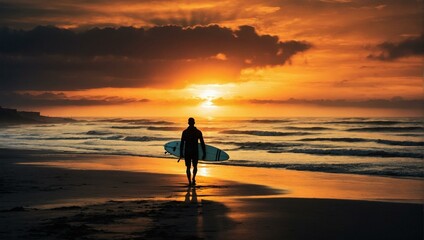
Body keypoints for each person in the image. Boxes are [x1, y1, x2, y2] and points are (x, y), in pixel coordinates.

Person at [178, 117, 206, 186]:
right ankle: (193, 178)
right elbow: (202, 143)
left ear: (188, 123)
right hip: (195, 151)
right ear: (194, 123)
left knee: (188, 167)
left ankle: (189, 182)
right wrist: (204, 153)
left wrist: (181, 153)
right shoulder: (198, 132)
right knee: (195, 166)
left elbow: (182, 143)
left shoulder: (185, 132)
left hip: (187, 151)